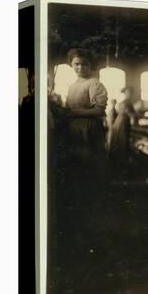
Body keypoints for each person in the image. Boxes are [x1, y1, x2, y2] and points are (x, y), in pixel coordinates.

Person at [64, 48, 108, 196]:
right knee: (77, 167)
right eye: (76, 64)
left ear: (90, 66)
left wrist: (76, 113)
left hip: (89, 130)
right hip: (74, 130)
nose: (80, 68)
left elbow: (99, 111)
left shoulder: (94, 84)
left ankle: (94, 200)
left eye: (84, 64)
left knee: (91, 167)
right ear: (71, 64)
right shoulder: (72, 86)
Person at [108, 87, 136, 175]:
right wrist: (134, 119)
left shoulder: (124, 102)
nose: (129, 94)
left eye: (130, 93)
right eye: (128, 93)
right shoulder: (127, 102)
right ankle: (123, 167)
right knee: (123, 142)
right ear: (126, 93)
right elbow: (130, 114)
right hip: (123, 123)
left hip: (119, 123)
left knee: (119, 142)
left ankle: (118, 166)